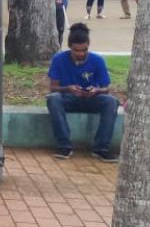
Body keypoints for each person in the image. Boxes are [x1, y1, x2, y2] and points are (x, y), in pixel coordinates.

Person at [46, 23, 119, 162]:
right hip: (69, 98)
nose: (80, 54)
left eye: (84, 50)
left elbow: (106, 88)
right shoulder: (59, 59)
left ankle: (101, 148)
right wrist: (68, 88)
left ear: (88, 47)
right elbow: (53, 88)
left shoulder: (97, 60)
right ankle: (64, 145)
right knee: (53, 98)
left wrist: (97, 90)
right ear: (70, 48)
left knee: (111, 101)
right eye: (76, 51)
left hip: (91, 98)